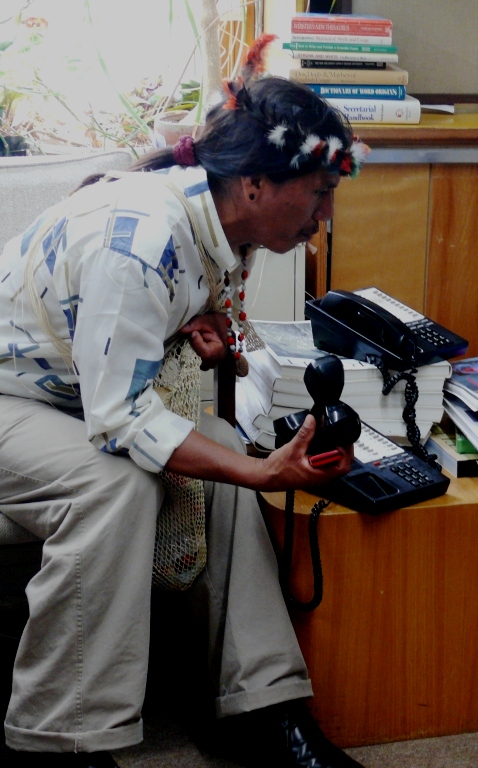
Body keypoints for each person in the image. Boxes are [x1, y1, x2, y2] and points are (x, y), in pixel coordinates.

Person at [0, 47, 372, 767]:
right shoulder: (141, 237)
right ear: (258, 182)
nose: (325, 217)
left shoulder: (216, 218)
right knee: (114, 483)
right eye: (320, 193)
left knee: (222, 453)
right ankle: (59, 739)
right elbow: (119, 423)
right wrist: (264, 475)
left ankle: (261, 710)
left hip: (63, 390)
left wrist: (182, 327)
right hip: (11, 396)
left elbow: (119, 340)